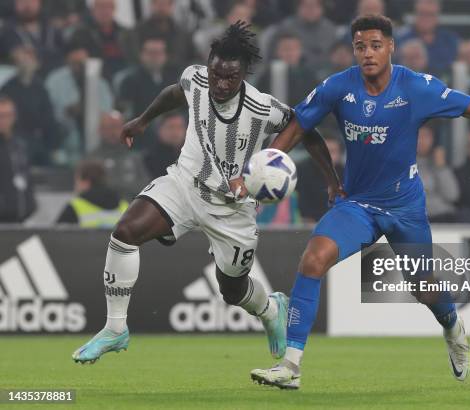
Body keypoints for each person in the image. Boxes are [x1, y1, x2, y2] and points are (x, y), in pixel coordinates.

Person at [250, 15, 470, 389]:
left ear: (391, 46)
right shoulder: (338, 87)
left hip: (405, 207)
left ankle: (453, 325)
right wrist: (264, 163)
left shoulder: (416, 87)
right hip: (356, 204)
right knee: (312, 260)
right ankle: (290, 366)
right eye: (360, 46)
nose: (368, 53)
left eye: (376, 45)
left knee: (422, 285)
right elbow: (297, 125)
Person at [71, 22, 334, 365]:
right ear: (208, 65)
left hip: (231, 209)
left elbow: (306, 131)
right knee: (125, 232)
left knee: (233, 290)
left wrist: (333, 180)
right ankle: (115, 328)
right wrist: (143, 120)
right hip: (185, 183)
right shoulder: (195, 78)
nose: (221, 84)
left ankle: (271, 309)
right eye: (216, 74)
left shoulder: (262, 107)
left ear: (244, 75)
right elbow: (175, 92)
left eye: (231, 77)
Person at [45, 40, 113, 165]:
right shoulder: (54, 81)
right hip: (66, 142)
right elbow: (47, 114)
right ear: (67, 61)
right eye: (74, 63)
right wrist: (67, 112)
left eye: (82, 63)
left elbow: (107, 114)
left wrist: (90, 111)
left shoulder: (101, 83)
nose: (78, 67)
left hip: (97, 140)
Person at [0, 43, 60, 165]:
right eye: (24, 57)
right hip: (15, 140)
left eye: (30, 57)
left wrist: (53, 146)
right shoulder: (8, 88)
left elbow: (49, 118)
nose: (27, 61)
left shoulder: (40, 87)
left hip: (39, 140)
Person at [88, 111, 150, 199]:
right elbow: (91, 189)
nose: (113, 132)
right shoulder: (92, 160)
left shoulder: (135, 158)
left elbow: (146, 187)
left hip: (132, 209)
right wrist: (126, 185)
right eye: (109, 127)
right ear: (100, 130)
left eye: (117, 127)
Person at [116, 36, 178, 124]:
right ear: (141, 55)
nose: (154, 57)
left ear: (165, 56)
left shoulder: (173, 79)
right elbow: (126, 114)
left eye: (158, 53)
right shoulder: (129, 81)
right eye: (150, 53)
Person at [57, 159, 129, 227]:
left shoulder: (75, 207)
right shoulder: (125, 207)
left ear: (86, 182)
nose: (75, 186)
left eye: (77, 181)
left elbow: (54, 236)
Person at [396, 0, 460, 74]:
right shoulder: (402, 39)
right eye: (422, 14)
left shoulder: (449, 39)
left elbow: (452, 63)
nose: (426, 19)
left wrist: (426, 63)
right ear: (415, 14)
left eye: (431, 14)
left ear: (437, 17)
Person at [0, 95, 36, 223]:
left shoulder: (19, 145)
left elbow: (25, 175)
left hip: (20, 216)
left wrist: (30, 204)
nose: (5, 120)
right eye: (1, 116)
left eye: (9, 115)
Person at [296, 134, 345, 223]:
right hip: (305, 225)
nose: (328, 156)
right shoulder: (301, 170)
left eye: (333, 151)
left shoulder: (346, 174)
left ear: (340, 154)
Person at [416, 124, 459, 222]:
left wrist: (440, 167)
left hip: (443, 217)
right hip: (416, 220)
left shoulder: (438, 163)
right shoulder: (402, 164)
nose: (422, 141)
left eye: (426, 136)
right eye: (418, 135)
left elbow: (452, 195)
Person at [144, 112, 186, 178]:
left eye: (179, 127)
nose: (175, 132)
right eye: (171, 127)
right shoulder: (148, 160)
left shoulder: (193, 157)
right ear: (159, 130)